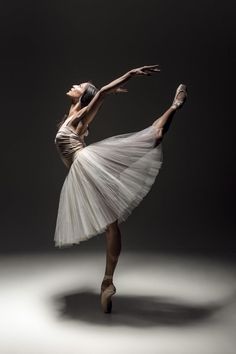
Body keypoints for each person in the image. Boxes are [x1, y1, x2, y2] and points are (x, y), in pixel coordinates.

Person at [54, 65, 187, 313]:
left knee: (154, 137)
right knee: (111, 224)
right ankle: (107, 283)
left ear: (84, 96)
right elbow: (101, 95)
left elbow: (102, 92)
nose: (74, 85)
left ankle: (175, 106)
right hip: (82, 171)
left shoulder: (81, 115)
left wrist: (129, 75)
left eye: (79, 86)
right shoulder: (73, 118)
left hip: (88, 163)